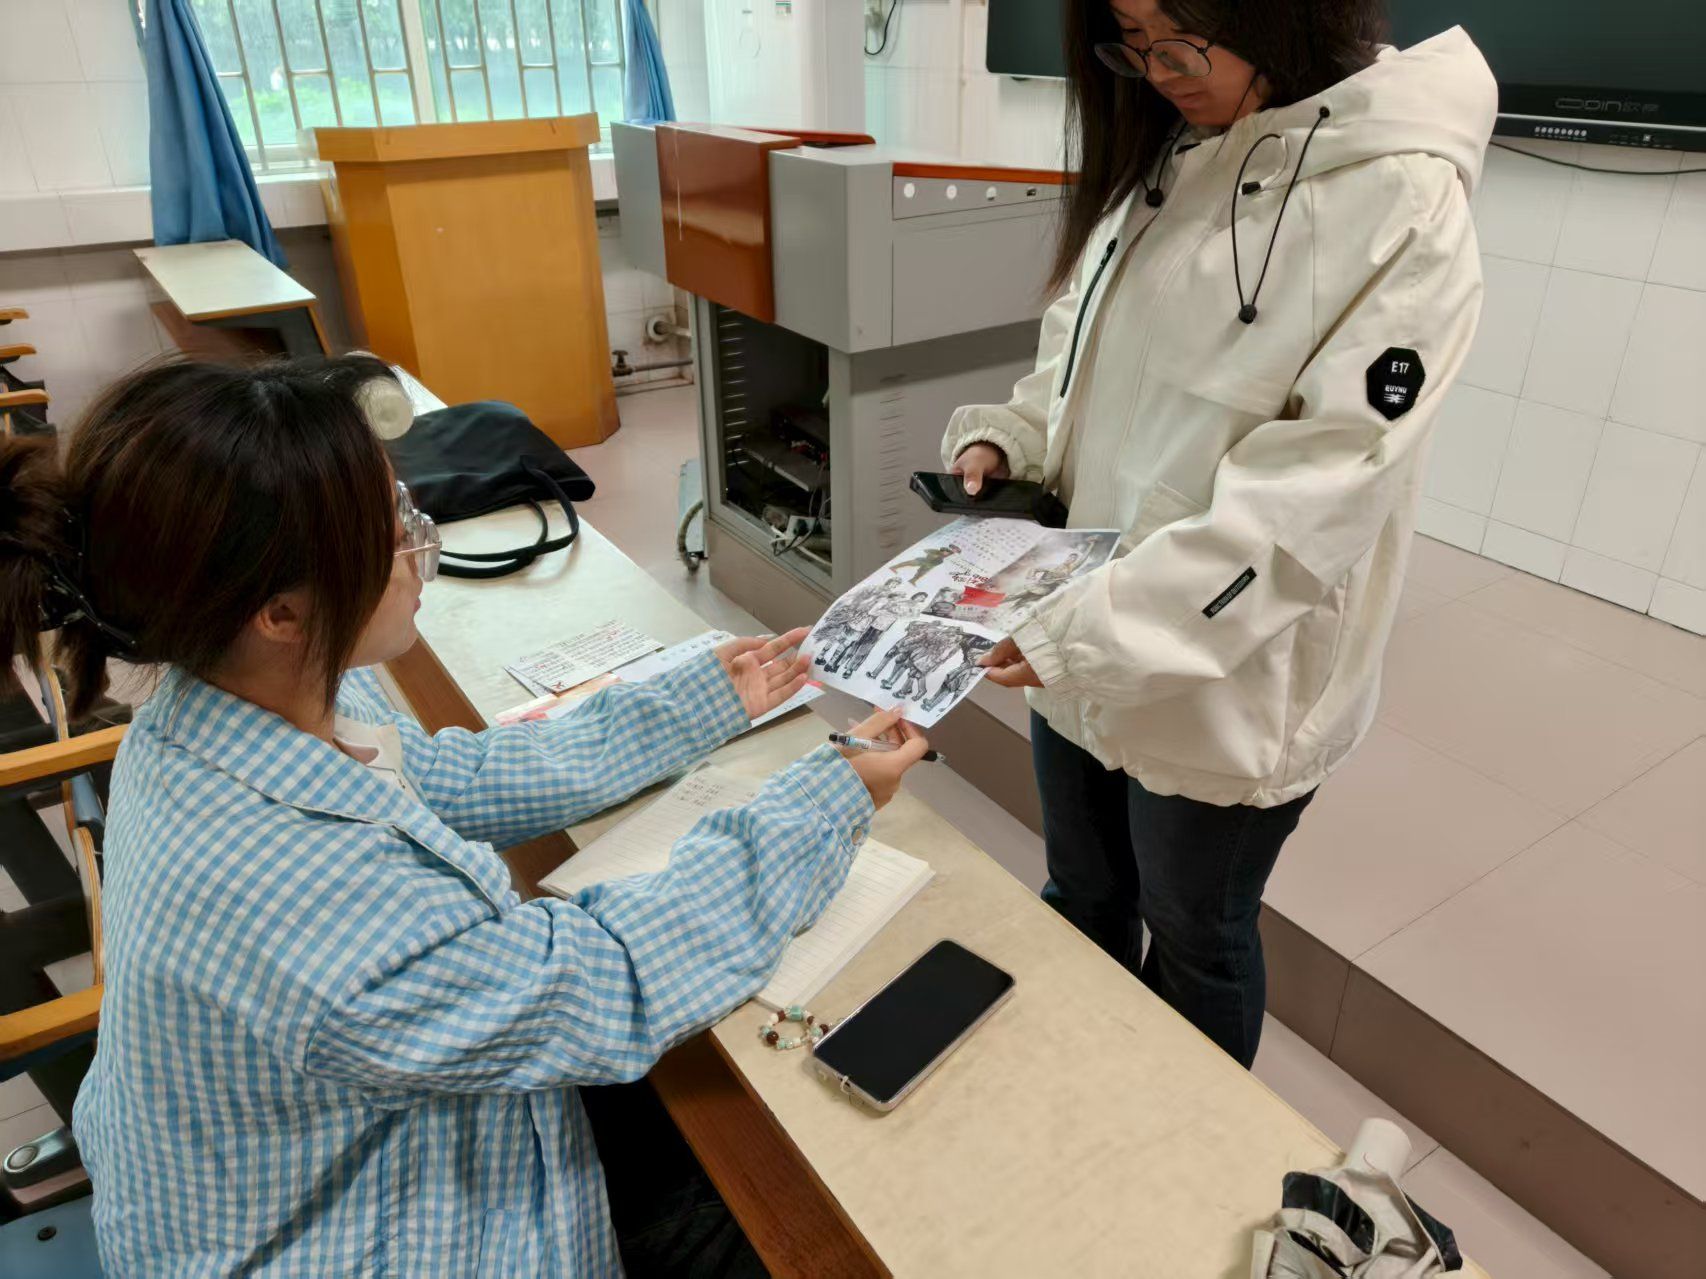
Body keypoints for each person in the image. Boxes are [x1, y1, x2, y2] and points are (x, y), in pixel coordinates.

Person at [0, 356, 929, 1277]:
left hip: (324, 1163)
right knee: (813, 1216)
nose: (420, 541)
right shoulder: (300, 895)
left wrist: (700, 702)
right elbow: (610, 982)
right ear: (280, 612)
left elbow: (449, 775)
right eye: (390, 528)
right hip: (339, 1241)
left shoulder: (215, 707)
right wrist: (826, 801)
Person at [943, 0, 1494, 1068]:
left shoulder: (1400, 197)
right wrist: (1015, 436)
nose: (1158, 71)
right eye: (1131, 41)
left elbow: (1314, 496)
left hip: (1228, 678)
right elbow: (1076, 356)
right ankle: (1078, 1081)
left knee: (1194, 930)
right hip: (1075, 628)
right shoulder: (1169, 157)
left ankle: (1183, 1139)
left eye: (1180, 36)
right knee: (1084, 888)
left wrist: (1093, 633)